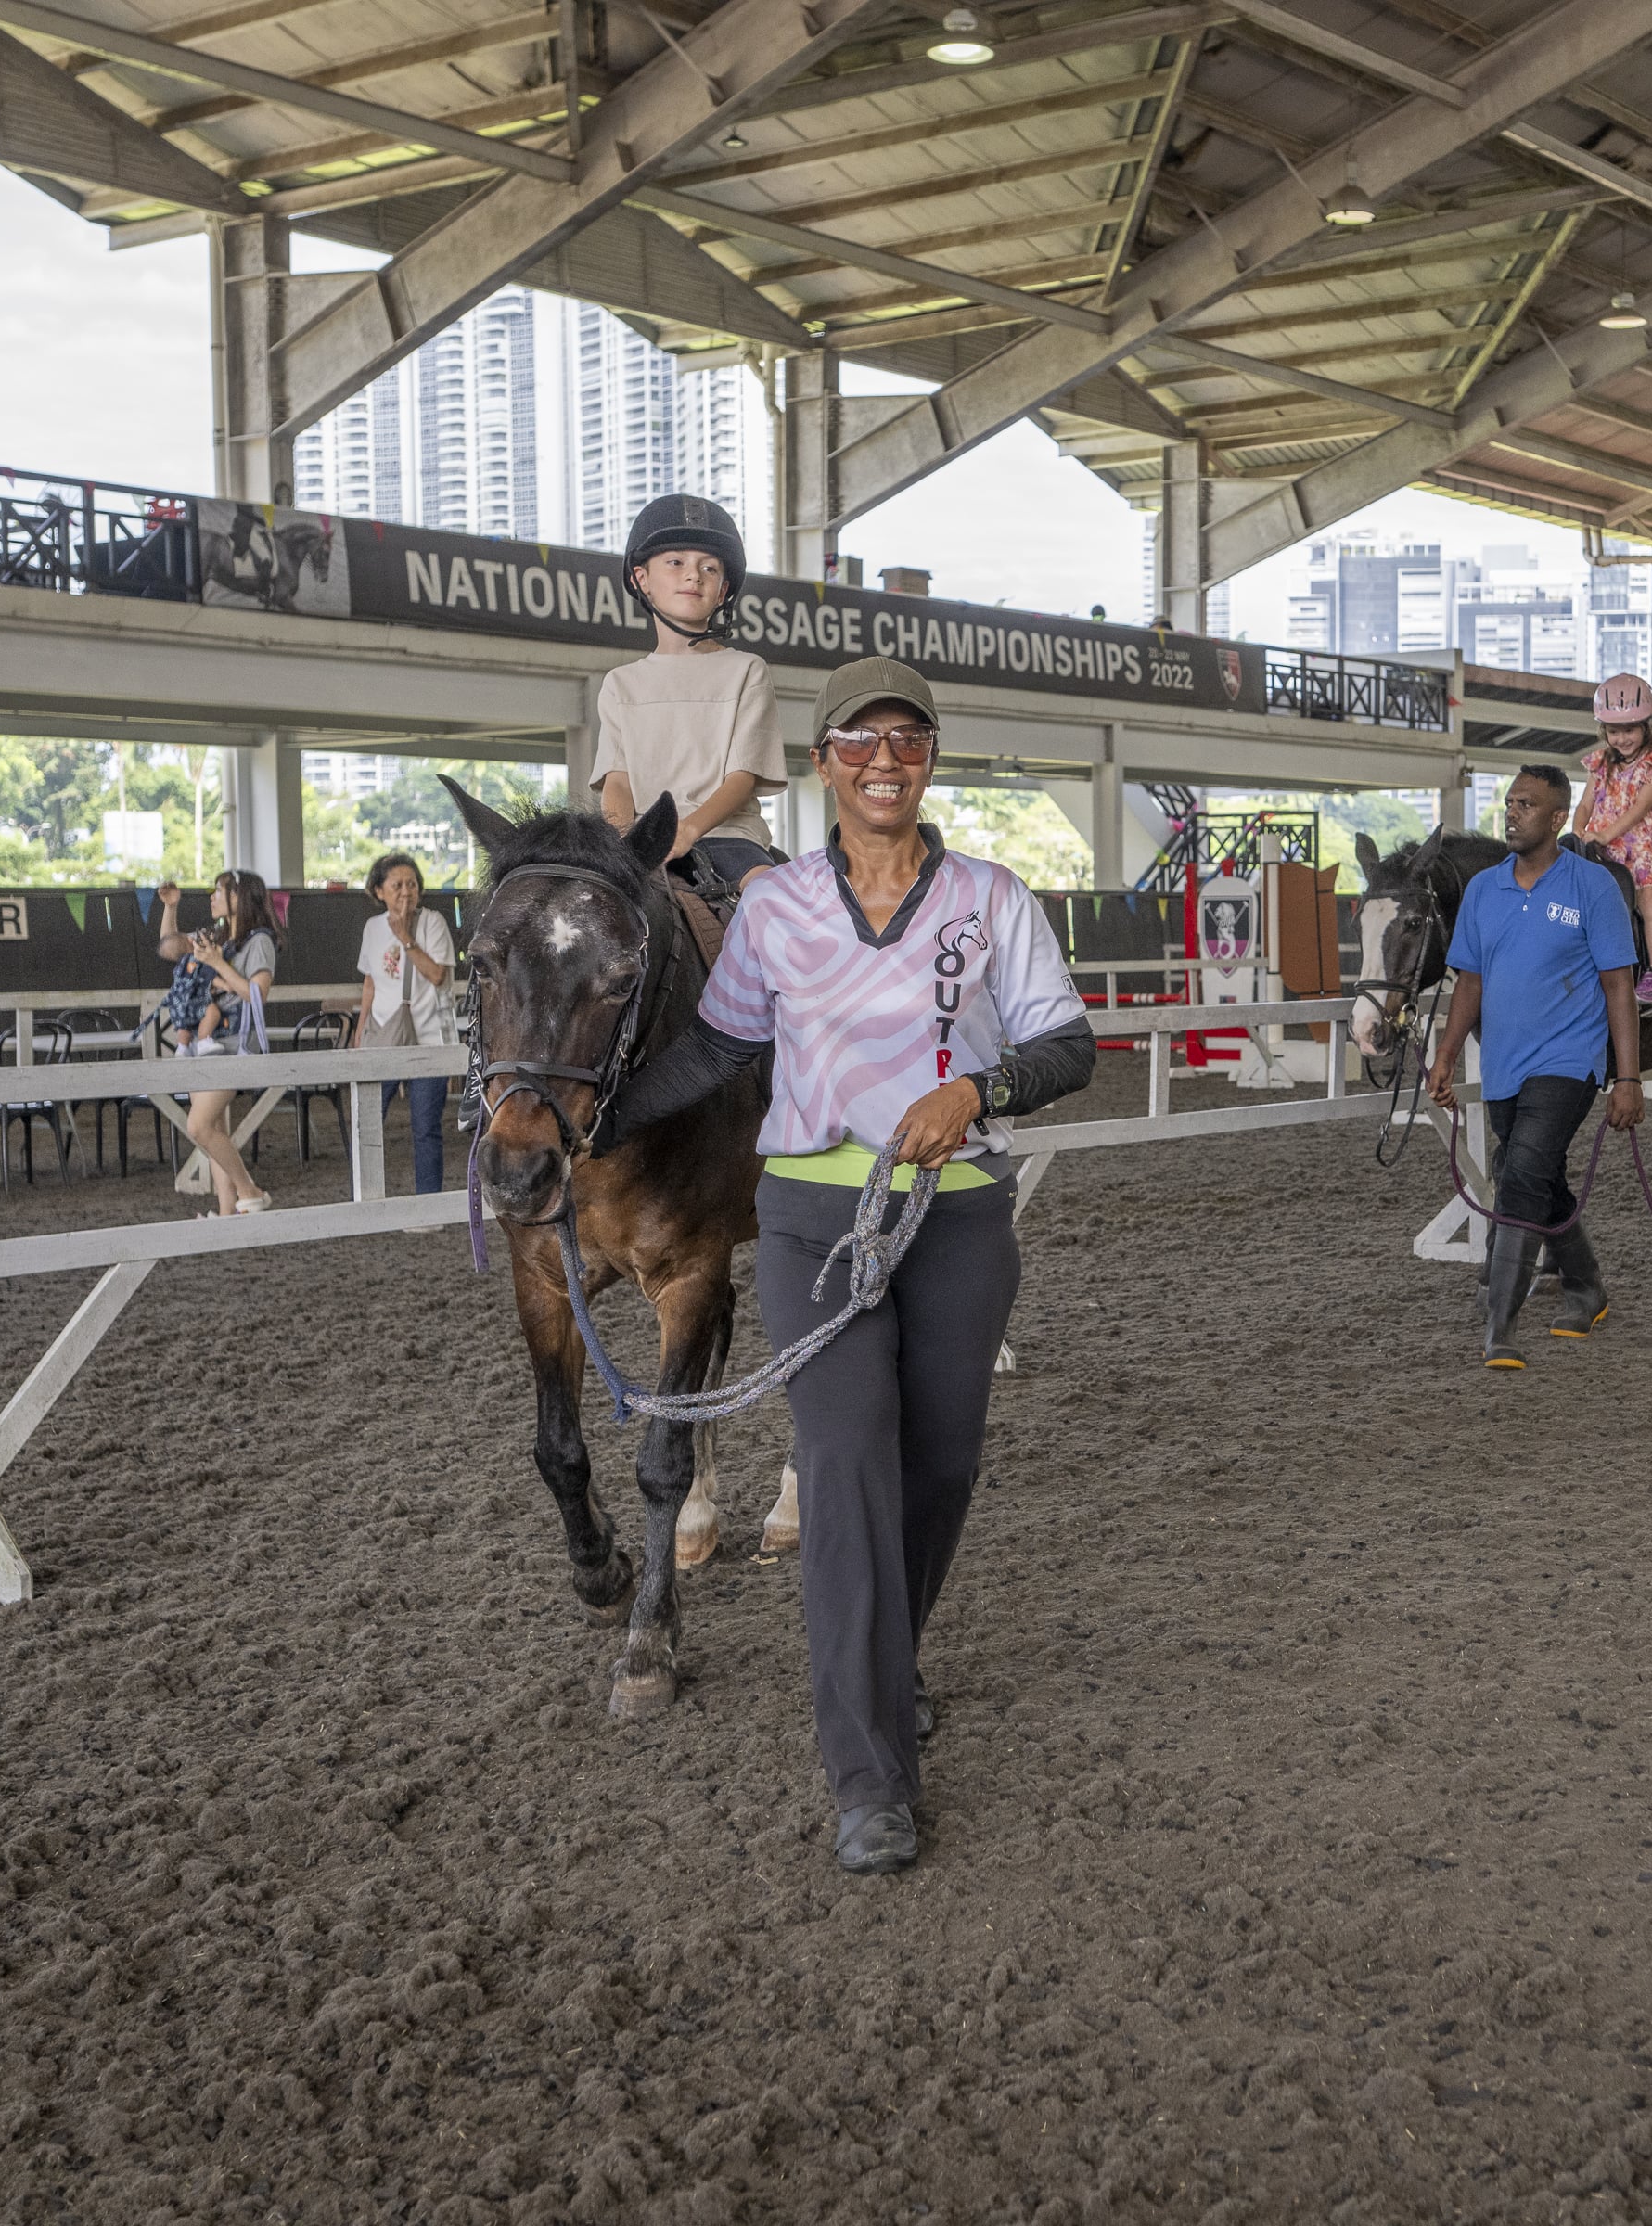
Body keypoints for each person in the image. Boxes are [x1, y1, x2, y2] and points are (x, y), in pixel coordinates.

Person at [608, 657, 1096, 1876]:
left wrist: (980, 1088)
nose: (887, 760)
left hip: (962, 1214)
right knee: (839, 1470)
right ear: (825, 763)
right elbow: (717, 1047)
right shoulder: (774, 909)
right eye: (860, 742)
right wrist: (592, 1122)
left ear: (930, 760)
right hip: (815, 1223)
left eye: (909, 741)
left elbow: (1070, 1043)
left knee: (940, 1464)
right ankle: (868, 1772)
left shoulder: (991, 898)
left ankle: (887, 1659)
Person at [1428, 762, 1643, 1368]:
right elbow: (1468, 982)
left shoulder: (1591, 889)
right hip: (1502, 1066)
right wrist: (1446, 1055)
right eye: (1510, 802)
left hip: (1569, 1062)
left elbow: (1619, 987)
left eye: (1526, 804)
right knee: (1535, 1176)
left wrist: (1626, 1078)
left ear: (1555, 818)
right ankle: (1587, 1284)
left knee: (1519, 1176)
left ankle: (1500, 1324)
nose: (1512, 812)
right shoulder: (1482, 892)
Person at [588, 493, 789, 888]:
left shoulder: (746, 670)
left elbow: (742, 778)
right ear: (641, 578)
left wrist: (688, 831)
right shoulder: (620, 683)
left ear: (722, 589)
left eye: (709, 568)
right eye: (676, 562)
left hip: (728, 839)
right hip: (645, 842)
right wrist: (623, 842)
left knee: (770, 897)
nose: (693, 575)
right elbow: (618, 780)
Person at [157, 869, 282, 1211]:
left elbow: (257, 995)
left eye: (219, 891)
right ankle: (227, 1213)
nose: (212, 897)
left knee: (198, 1126)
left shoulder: (259, 941)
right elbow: (170, 948)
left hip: (234, 1044)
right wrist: (171, 908)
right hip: (208, 1044)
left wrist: (217, 965)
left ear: (239, 897)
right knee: (214, 1128)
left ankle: (249, 1191)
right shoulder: (222, 937)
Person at [1569, 673, 1652, 1013]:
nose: (1621, 738)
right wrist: (1578, 832)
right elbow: (1585, 805)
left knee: (1647, 898)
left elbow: (1641, 807)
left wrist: (1605, 835)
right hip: (1603, 844)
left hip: (1644, 845)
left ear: (1646, 726)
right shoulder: (1598, 763)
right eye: (1613, 730)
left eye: (1630, 729)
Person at [353, 852, 457, 1192]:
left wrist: (406, 939)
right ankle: (365, 1199)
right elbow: (370, 982)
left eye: (412, 884)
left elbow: (439, 975)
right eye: (396, 885)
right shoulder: (371, 928)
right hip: (383, 1034)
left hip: (428, 1039)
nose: (405, 892)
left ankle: (428, 1206)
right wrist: (360, 1031)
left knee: (426, 1127)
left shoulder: (432, 923)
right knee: (368, 1122)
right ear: (378, 890)